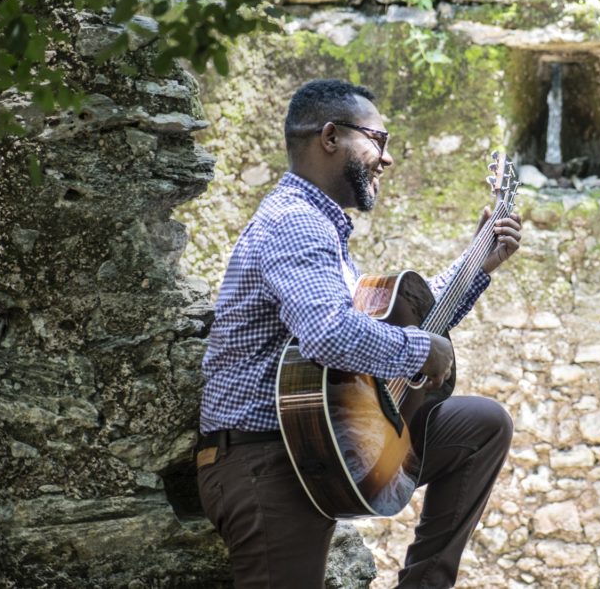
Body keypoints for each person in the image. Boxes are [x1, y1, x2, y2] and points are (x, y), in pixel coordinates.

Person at [195, 78, 522, 588]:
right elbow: (328, 333)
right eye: (378, 140)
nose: (386, 160)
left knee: (481, 425)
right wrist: (419, 351)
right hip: (264, 460)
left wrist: (480, 259)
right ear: (331, 137)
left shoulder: (322, 230)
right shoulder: (295, 221)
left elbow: (391, 321)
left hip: (313, 446)